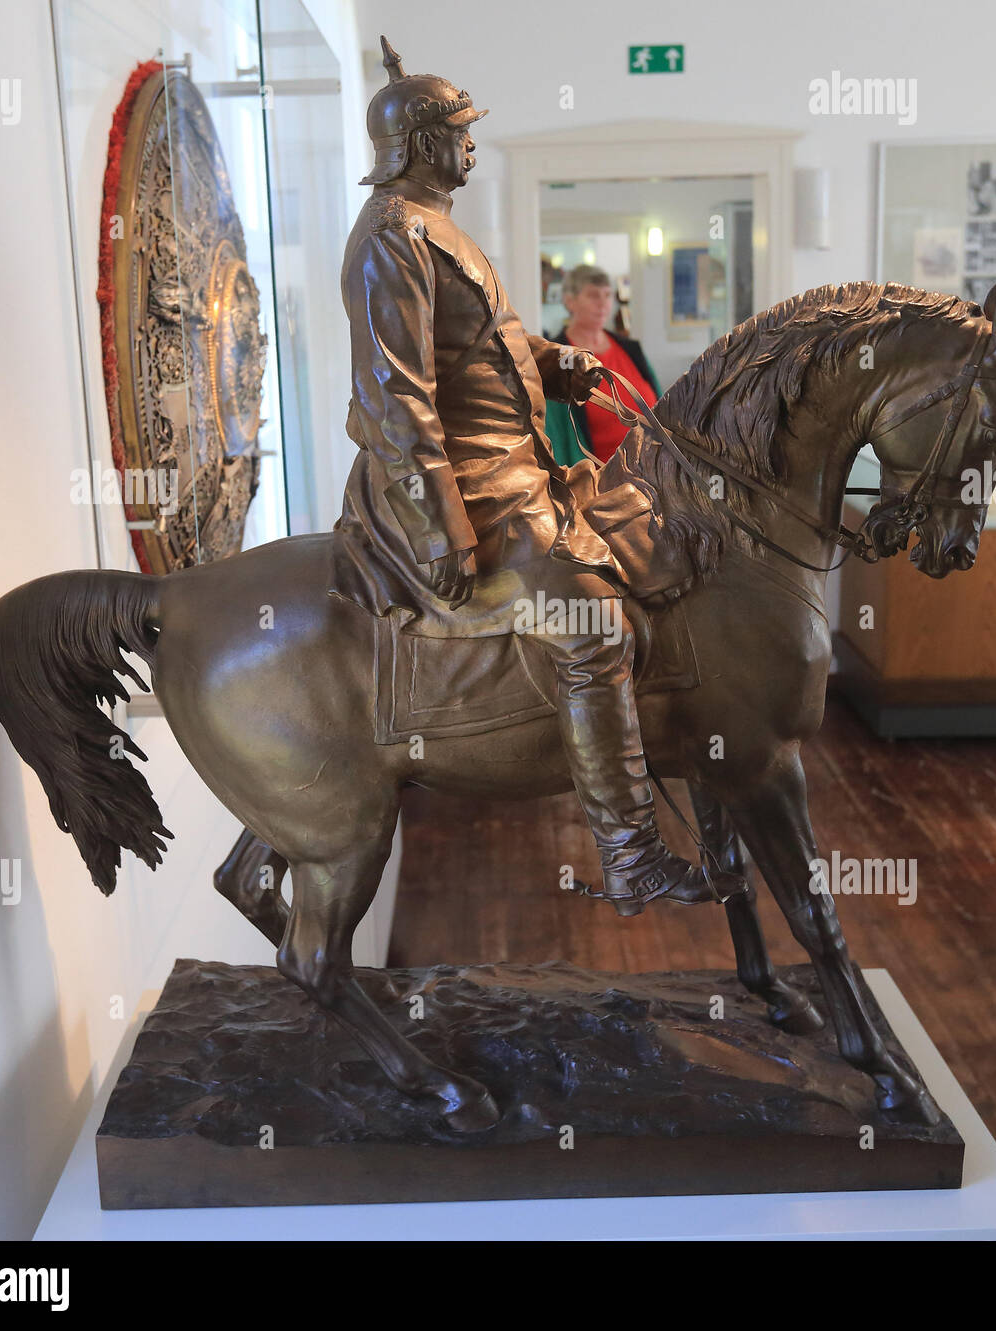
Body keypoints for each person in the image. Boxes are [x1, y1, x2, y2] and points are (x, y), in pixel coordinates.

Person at [329, 38, 722, 916]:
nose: (469, 146)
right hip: (466, 483)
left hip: (515, 464)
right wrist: (441, 528)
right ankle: (631, 854)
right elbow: (394, 394)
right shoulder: (392, 235)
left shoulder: (436, 224)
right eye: (458, 132)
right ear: (419, 143)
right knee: (592, 628)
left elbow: (484, 351)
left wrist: (555, 363)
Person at [544, 265, 662, 466]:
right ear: (570, 301)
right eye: (593, 295)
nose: (602, 303)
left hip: (654, 473)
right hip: (598, 484)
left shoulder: (630, 348)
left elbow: (661, 408)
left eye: (607, 295)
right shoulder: (558, 359)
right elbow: (555, 438)